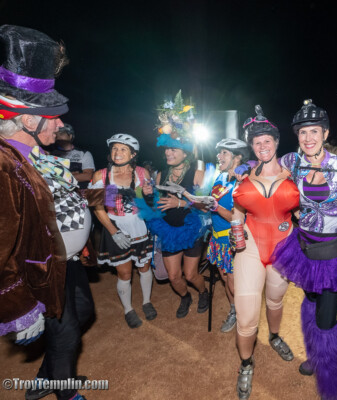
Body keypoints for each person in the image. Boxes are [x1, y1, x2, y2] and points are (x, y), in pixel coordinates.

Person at [0, 25, 95, 400]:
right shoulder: (5, 165)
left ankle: (48, 376)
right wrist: (17, 305)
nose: (60, 124)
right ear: (28, 120)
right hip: (40, 271)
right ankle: (65, 392)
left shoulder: (35, 154)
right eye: (53, 116)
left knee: (83, 313)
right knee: (66, 332)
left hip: (66, 260)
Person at [272, 99, 337, 400]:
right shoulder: (291, 162)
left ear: (325, 133)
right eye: (302, 132)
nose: (308, 138)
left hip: (333, 254)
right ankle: (315, 356)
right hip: (303, 251)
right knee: (310, 304)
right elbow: (263, 169)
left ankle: (331, 378)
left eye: (314, 131)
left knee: (326, 321)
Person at [231, 105, 299, 400]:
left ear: (276, 142)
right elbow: (237, 212)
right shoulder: (243, 176)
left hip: (283, 247)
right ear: (252, 147)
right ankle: (246, 364)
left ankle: (274, 336)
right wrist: (236, 233)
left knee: (275, 300)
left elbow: (304, 212)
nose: (262, 146)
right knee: (246, 317)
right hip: (250, 246)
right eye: (256, 142)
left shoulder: (295, 173)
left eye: (267, 141)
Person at [141, 96, 210, 319]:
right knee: (173, 277)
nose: (168, 153)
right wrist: (149, 195)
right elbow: (157, 204)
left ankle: (203, 292)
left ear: (185, 152)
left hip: (192, 228)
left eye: (173, 150)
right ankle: (185, 297)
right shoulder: (160, 174)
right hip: (169, 229)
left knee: (190, 275)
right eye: (167, 150)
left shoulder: (197, 173)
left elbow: (206, 205)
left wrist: (180, 202)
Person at [91, 133, 155, 328]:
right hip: (115, 226)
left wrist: (148, 196)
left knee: (144, 267)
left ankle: (146, 302)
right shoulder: (101, 175)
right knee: (125, 273)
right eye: (114, 148)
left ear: (133, 154)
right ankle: (128, 309)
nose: (117, 152)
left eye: (123, 149)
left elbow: (147, 203)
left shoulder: (142, 173)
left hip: (140, 225)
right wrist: (114, 231)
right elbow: (98, 208)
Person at [205, 138, 250, 332]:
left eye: (224, 153)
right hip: (216, 238)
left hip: (232, 240)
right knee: (224, 278)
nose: (219, 156)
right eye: (219, 152)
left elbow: (237, 218)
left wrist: (215, 207)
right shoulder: (220, 177)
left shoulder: (243, 183)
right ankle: (233, 309)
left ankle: (243, 315)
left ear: (237, 158)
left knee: (233, 283)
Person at [51, 123, 95, 189]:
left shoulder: (84, 154)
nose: (58, 136)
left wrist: (60, 176)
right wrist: (75, 175)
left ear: (70, 136)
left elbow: (88, 176)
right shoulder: (51, 154)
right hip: (57, 191)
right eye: (56, 134)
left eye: (61, 133)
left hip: (78, 191)